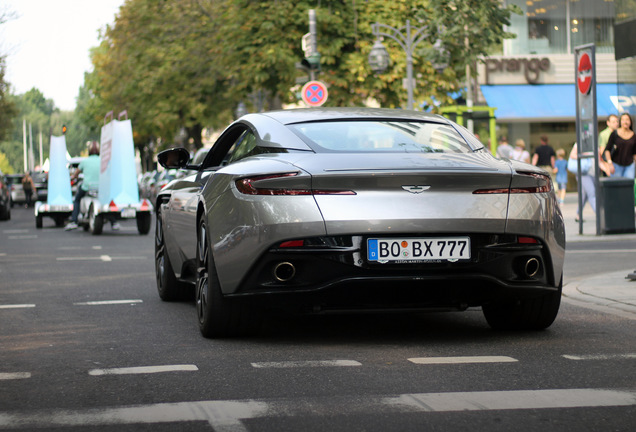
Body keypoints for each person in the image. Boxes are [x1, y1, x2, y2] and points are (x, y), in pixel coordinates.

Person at [65, 141, 120, 231]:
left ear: (89, 151)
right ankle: (113, 222)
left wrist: (73, 177)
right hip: (101, 188)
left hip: (87, 187)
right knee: (106, 203)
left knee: (77, 199)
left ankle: (74, 221)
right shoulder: (103, 161)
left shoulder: (84, 161)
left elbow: (75, 174)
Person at [569, 143, 596, 222]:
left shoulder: (594, 143)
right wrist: (584, 155)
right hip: (583, 173)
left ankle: (578, 215)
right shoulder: (580, 143)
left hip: (592, 173)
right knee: (592, 193)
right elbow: (572, 155)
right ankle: (599, 214)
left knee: (584, 196)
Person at [604, 112, 636, 179]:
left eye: (627, 120)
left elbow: (634, 153)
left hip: (629, 166)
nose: (625, 122)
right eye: (623, 120)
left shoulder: (634, 136)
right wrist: (610, 164)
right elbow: (607, 150)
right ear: (620, 122)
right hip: (616, 165)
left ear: (630, 122)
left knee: (628, 187)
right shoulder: (614, 134)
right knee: (617, 187)